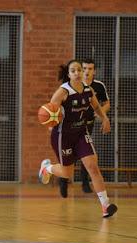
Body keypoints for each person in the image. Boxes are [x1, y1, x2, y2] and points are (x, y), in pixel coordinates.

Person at [38, 59, 117, 218]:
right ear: (68, 74)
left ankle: (105, 206)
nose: (77, 73)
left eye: (79, 70)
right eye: (73, 71)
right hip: (63, 135)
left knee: (93, 167)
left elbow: (96, 106)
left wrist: (105, 118)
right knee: (67, 174)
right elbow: (50, 111)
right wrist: (51, 123)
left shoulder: (88, 90)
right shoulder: (62, 91)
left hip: (81, 132)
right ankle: (47, 168)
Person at [58, 59, 110, 197]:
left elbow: (105, 104)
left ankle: (85, 183)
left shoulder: (97, 86)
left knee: (87, 156)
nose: (87, 71)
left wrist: (102, 115)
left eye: (90, 69)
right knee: (71, 157)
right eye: (84, 68)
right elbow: (56, 108)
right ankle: (63, 179)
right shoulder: (67, 88)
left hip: (86, 124)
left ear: (94, 71)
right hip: (69, 127)